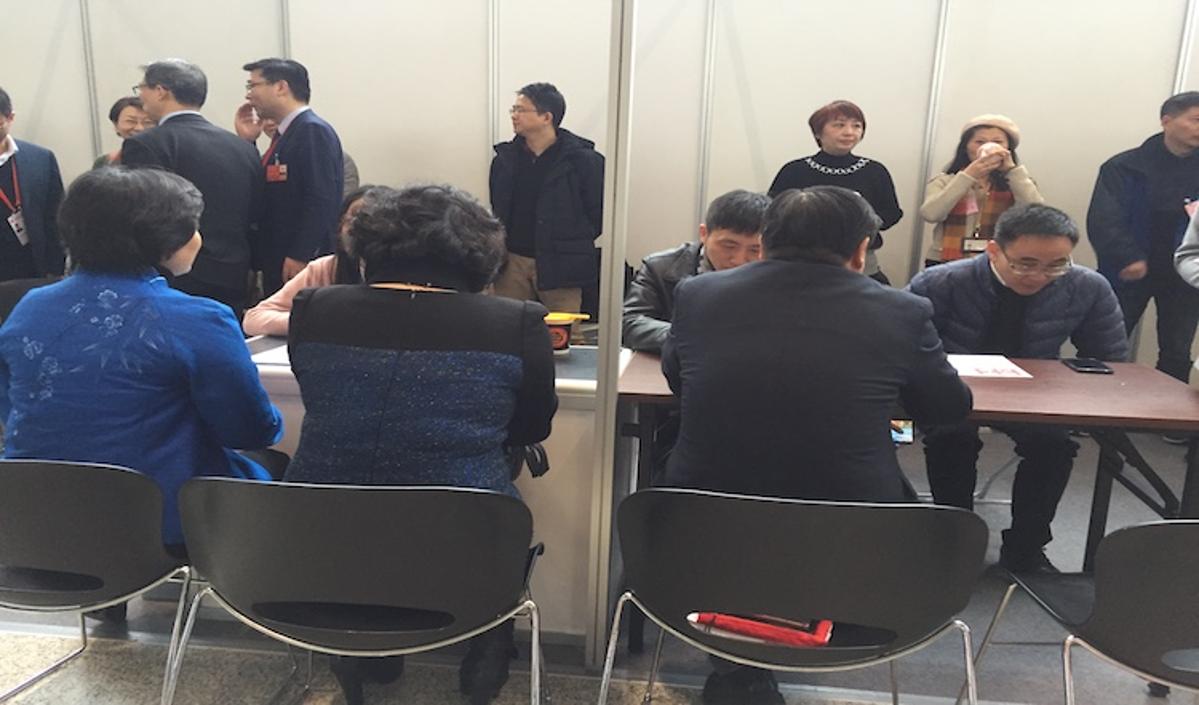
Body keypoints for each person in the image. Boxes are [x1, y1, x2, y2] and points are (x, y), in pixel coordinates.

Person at [661, 185, 972, 705]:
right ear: (861, 249)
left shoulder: (699, 294)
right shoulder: (902, 310)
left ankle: (741, 665)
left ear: (766, 241)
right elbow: (947, 408)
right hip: (852, 526)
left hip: (705, 520)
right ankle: (797, 637)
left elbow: (678, 380)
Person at [283, 184, 557, 705]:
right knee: (492, 495)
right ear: (479, 257)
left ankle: (365, 656)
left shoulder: (314, 307)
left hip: (319, 530)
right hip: (464, 535)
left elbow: (321, 396)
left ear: (367, 248)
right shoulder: (516, 322)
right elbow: (531, 428)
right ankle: (488, 646)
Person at [0, 167, 283, 554]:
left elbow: (11, 401)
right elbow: (249, 430)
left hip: (34, 518)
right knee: (271, 464)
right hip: (155, 526)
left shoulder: (29, 307)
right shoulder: (198, 318)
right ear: (166, 240)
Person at [907, 204, 1128, 573]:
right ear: (994, 250)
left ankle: (1026, 548)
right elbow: (908, 347)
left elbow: (1111, 359)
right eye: (1026, 264)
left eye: (1056, 264)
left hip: (1035, 397)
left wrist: (1074, 390)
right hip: (953, 391)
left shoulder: (1086, 286)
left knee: (1053, 446)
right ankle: (953, 540)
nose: (1040, 276)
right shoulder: (940, 282)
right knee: (951, 438)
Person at [124, 59, 264, 317]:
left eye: (142, 88)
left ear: (161, 91)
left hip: (175, 276)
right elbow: (256, 212)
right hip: (233, 271)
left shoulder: (147, 144)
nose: (140, 96)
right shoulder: (242, 147)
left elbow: (146, 215)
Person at [1089, 91, 1199, 388]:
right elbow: (1104, 219)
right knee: (1107, 341)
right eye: (1196, 120)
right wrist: (1127, 257)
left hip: (1186, 271)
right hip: (1130, 267)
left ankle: (1170, 409)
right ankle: (1095, 401)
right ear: (1167, 120)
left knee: (1177, 348)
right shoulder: (1124, 166)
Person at [490, 82, 604, 318]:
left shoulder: (584, 161)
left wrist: (569, 241)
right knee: (507, 327)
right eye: (513, 109)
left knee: (563, 334)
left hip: (562, 264)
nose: (514, 115)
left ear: (546, 117)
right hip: (512, 262)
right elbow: (498, 207)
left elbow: (598, 213)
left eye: (521, 110)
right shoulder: (505, 159)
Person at [235, 58, 344, 295]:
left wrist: (301, 253)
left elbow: (321, 198)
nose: (248, 95)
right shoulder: (286, 134)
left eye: (253, 86)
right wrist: (248, 142)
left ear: (281, 87)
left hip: (299, 261)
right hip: (279, 256)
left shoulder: (311, 130)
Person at [768, 100, 902, 283]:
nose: (849, 132)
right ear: (818, 132)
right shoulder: (794, 170)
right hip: (802, 262)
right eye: (839, 125)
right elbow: (773, 214)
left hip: (862, 263)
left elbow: (892, 213)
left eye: (856, 126)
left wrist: (858, 223)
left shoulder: (875, 171)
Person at [623, 189, 768, 353]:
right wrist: (691, 338)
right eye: (729, 246)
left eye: (755, 250)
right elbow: (630, 322)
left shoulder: (776, 274)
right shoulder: (660, 267)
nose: (739, 260)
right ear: (704, 234)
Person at [242, 185, 371, 336]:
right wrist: (312, 321)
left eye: (369, 221)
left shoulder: (396, 274)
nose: (358, 230)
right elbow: (254, 318)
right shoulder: (326, 268)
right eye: (352, 220)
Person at [920, 114, 1044, 265]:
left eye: (997, 142)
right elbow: (931, 214)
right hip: (944, 260)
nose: (988, 147)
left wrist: (1012, 171)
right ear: (966, 147)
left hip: (1000, 260)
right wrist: (968, 176)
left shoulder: (1018, 181)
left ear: (1008, 149)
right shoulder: (945, 181)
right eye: (979, 142)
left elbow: (1036, 215)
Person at [0, 87, 65, 282]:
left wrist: (56, 267)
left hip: (32, 268)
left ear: (10, 118)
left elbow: (55, 216)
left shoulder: (40, 158)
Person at [93, 96, 155, 168]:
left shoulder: (164, 159)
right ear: (116, 125)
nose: (139, 128)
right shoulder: (105, 162)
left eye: (147, 122)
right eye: (131, 121)